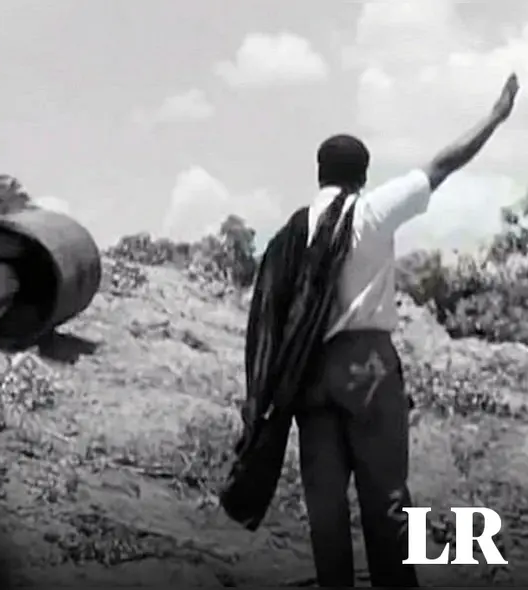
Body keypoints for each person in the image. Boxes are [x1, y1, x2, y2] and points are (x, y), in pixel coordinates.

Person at [222, 73, 519, 588]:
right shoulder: (374, 211)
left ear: (319, 174)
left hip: (310, 378)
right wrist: (496, 116)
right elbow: (443, 164)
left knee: (325, 508)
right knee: (387, 501)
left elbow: (270, 314)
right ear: (363, 175)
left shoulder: (294, 230)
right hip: (369, 372)